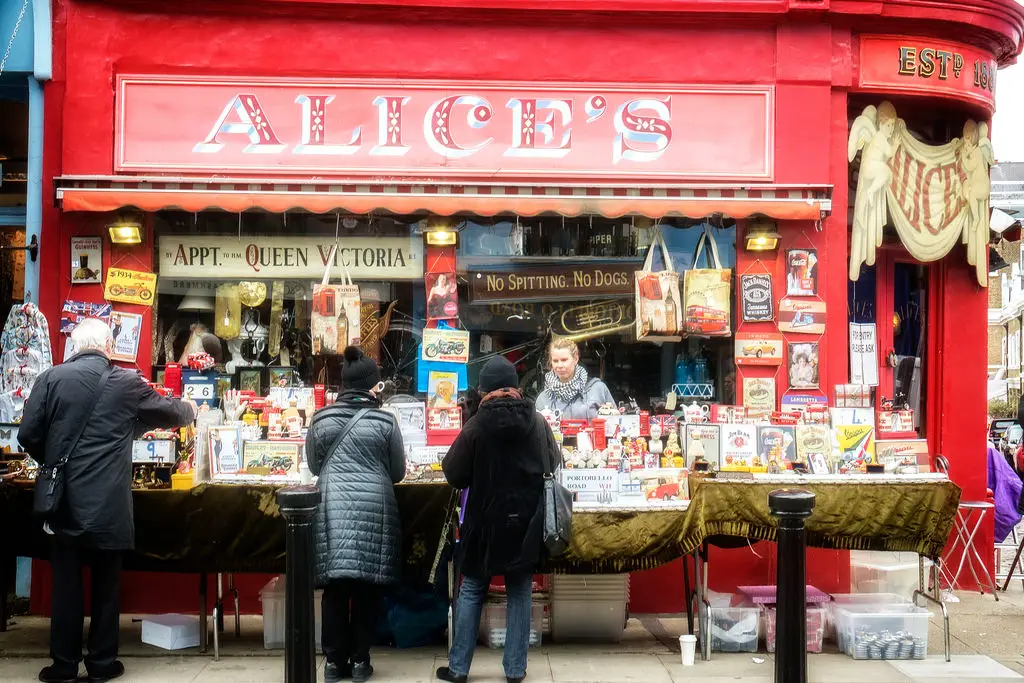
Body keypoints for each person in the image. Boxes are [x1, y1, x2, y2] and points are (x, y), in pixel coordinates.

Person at [18, 318, 198, 683]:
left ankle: (64, 666)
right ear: (108, 347)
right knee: (106, 587)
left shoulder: (50, 379)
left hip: (64, 501)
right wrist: (191, 409)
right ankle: (101, 664)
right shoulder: (126, 382)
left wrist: (52, 463)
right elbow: (169, 413)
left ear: (74, 345)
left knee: (65, 586)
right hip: (109, 503)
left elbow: (27, 434)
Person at [436, 356, 560, 683]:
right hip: (526, 522)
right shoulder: (537, 422)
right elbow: (555, 460)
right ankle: (515, 670)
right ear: (515, 387)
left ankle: (459, 668)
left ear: (485, 390)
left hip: (484, 522)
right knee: (519, 590)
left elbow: (453, 474)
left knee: (473, 587)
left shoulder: (476, 425)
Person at [307, 346, 406, 683]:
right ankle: (361, 662)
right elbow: (398, 472)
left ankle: (334, 664)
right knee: (367, 587)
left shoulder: (321, 419)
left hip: (332, 507)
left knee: (335, 589)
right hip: (375, 508)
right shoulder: (385, 421)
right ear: (371, 386)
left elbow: (314, 466)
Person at [535, 338, 614, 419]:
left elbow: (616, 422)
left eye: (564, 360)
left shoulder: (598, 388)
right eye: (555, 361)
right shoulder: (543, 398)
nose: (559, 365)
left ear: (575, 359)